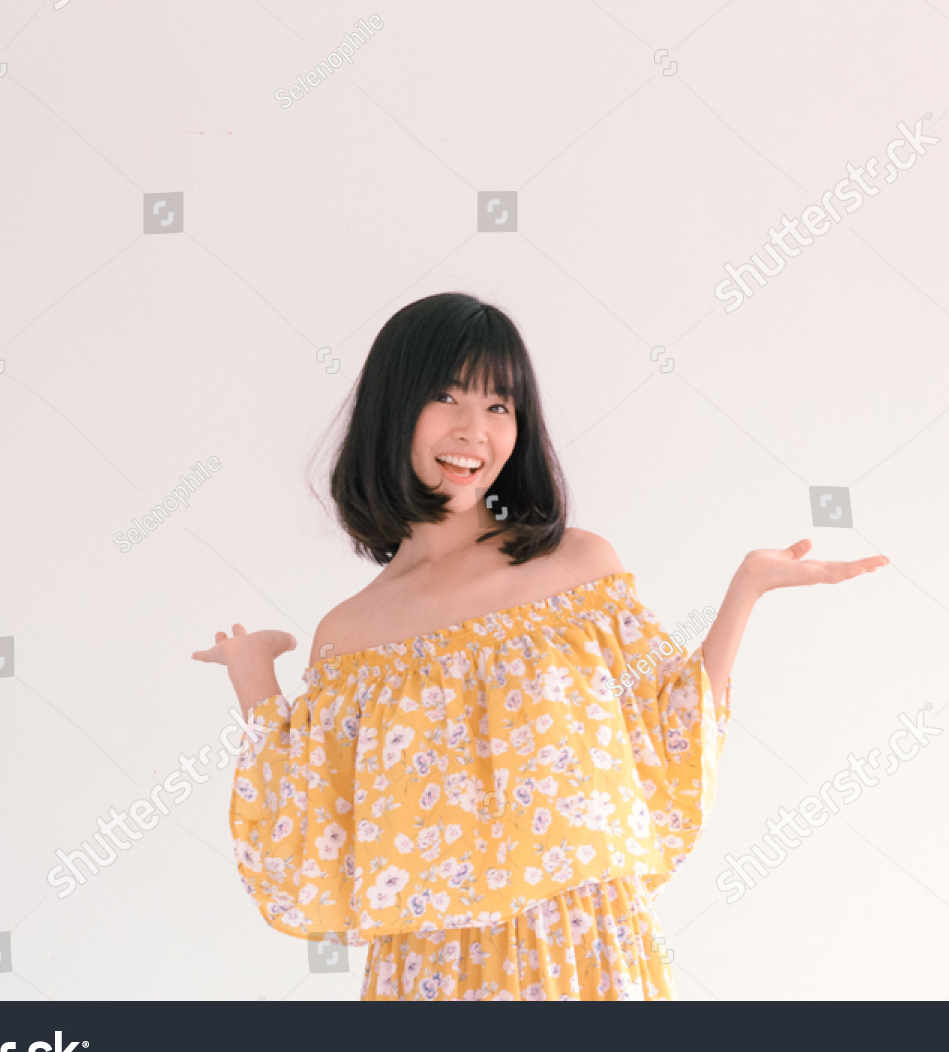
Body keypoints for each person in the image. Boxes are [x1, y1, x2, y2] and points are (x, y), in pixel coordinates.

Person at [192, 292, 888, 1000]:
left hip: (585, 951)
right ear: (392, 407)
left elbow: (666, 726)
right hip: (432, 972)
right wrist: (253, 675)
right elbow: (317, 825)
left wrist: (745, 591)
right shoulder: (351, 636)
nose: (475, 431)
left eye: (500, 405)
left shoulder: (576, 569)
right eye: (446, 396)